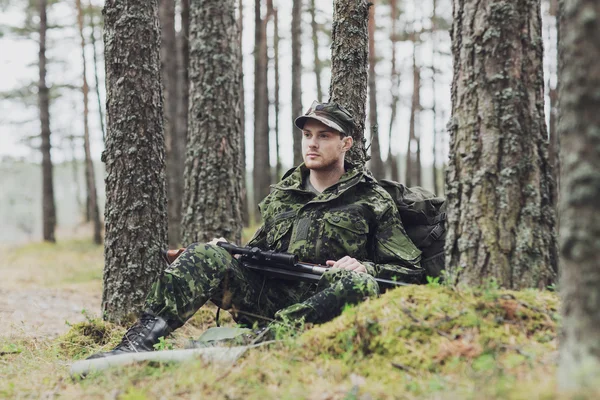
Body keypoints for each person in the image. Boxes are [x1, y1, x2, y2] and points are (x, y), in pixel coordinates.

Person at [89, 101, 422, 358]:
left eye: (324, 136)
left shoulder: (372, 199)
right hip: (266, 302)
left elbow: (409, 270)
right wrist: (230, 252)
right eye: (307, 135)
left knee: (357, 282)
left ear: (346, 143)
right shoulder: (283, 195)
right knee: (206, 252)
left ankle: (263, 344)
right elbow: (261, 251)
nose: (312, 144)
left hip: (324, 308)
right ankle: (138, 343)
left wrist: (365, 266)